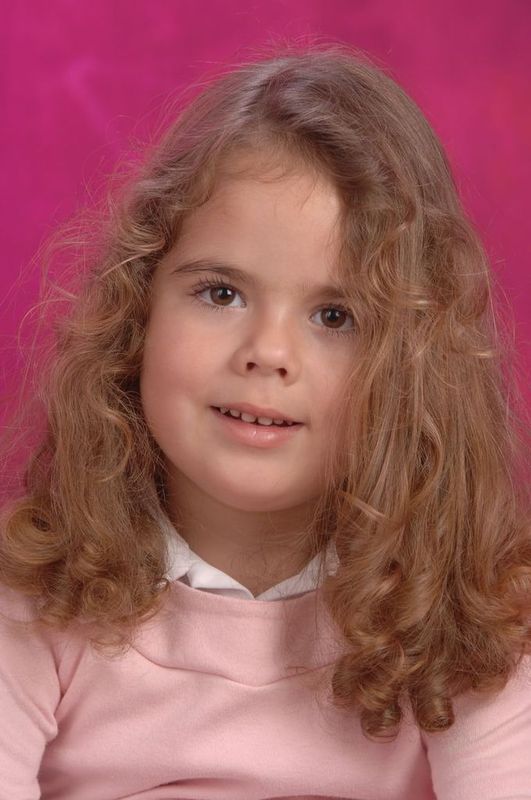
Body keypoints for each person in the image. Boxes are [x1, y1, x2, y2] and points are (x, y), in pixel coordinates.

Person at [0, 41, 530, 800]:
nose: (268, 353)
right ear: (138, 312)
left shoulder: (474, 617)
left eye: (335, 315)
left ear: (416, 368)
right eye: (221, 293)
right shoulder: (29, 595)